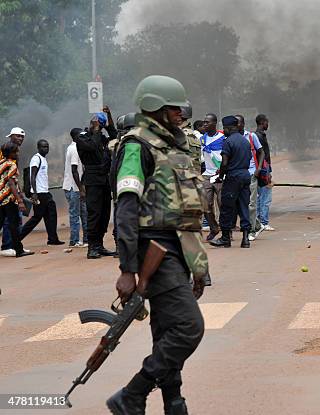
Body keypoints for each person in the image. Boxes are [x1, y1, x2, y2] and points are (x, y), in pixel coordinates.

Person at [108, 75, 207, 415]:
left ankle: (173, 402)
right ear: (156, 109)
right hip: (154, 253)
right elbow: (126, 207)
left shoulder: (174, 146)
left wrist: (197, 266)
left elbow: (185, 214)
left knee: (166, 332)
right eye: (174, 108)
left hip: (176, 253)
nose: (181, 113)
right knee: (189, 327)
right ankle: (133, 393)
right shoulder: (137, 146)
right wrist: (127, 269)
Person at [76, 106, 117, 259]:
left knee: (105, 213)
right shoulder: (83, 137)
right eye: (97, 123)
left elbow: (114, 137)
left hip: (105, 179)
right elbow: (92, 147)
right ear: (92, 123)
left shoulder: (101, 137)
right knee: (94, 213)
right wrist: (97, 130)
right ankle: (92, 246)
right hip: (92, 179)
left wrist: (109, 117)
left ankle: (99, 245)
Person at [210, 116, 253, 248]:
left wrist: (221, 176)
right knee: (244, 206)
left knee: (227, 207)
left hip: (233, 177)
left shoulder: (228, 142)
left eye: (225, 128)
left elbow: (224, 162)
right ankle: (245, 239)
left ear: (229, 128)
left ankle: (225, 238)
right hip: (245, 175)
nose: (224, 130)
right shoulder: (245, 142)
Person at [19, 139, 64, 245]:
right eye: (43, 147)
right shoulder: (36, 159)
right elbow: (32, 176)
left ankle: (53, 239)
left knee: (50, 214)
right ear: (38, 148)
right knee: (37, 217)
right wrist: (34, 193)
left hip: (45, 192)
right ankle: (16, 239)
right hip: (39, 193)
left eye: (47, 146)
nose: (46, 148)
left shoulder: (43, 159)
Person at [0, 142, 34, 257]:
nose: (18, 153)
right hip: (10, 199)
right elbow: (11, 183)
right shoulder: (11, 165)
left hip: (1, 199)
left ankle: (17, 248)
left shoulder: (1, 163)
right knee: (14, 225)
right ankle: (19, 250)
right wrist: (19, 200)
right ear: (11, 153)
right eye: (16, 152)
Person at [234, 114, 264, 242]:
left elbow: (261, 151)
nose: (236, 125)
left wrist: (259, 168)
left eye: (238, 123)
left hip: (251, 173)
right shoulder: (232, 138)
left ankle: (251, 230)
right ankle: (257, 224)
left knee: (251, 203)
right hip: (238, 174)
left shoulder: (251, 136)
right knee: (241, 203)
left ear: (243, 124)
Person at [195, 115, 225, 241]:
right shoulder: (202, 139)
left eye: (207, 122)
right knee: (205, 204)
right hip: (207, 174)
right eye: (204, 122)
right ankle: (214, 227)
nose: (205, 124)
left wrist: (223, 170)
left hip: (220, 174)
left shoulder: (223, 138)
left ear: (215, 123)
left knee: (222, 204)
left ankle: (226, 231)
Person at [1, 127, 26, 257]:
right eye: (17, 136)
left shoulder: (13, 155)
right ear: (11, 137)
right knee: (10, 221)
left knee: (15, 220)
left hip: (9, 194)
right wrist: (19, 198)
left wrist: (20, 191)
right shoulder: (7, 155)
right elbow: (9, 179)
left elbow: (14, 177)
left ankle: (15, 246)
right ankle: (8, 246)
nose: (20, 139)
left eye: (22, 137)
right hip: (7, 195)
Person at [63, 128, 88, 248]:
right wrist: (81, 188)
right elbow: (74, 171)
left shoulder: (73, 147)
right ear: (76, 137)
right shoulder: (74, 149)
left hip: (74, 187)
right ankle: (75, 240)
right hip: (74, 187)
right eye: (81, 136)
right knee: (75, 214)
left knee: (84, 213)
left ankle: (86, 239)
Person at [254, 114, 274, 232]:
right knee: (265, 196)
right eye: (267, 122)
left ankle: (258, 221)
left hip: (260, 168)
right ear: (262, 122)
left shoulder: (257, 136)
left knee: (258, 196)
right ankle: (264, 222)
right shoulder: (259, 136)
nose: (268, 125)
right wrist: (268, 170)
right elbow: (263, 155)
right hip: (263, 169)